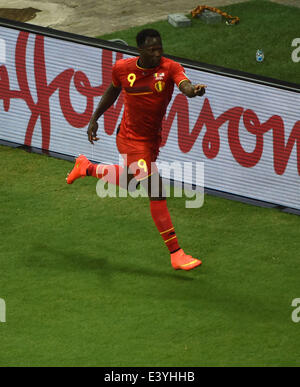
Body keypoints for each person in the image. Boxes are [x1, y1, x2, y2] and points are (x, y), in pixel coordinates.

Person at [66, 29, 206, 271]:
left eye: (159, 47)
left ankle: (86, 167)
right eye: (152, 49)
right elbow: (112, 91)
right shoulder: (122, 68)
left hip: (151, 139)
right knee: (156, 190)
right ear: (140, 49)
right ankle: (176, 253)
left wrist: (193, 91)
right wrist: (94, 118)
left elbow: (184, 85)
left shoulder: (170, 67)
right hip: (130, 138)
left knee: (130, 183)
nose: (157, 53)